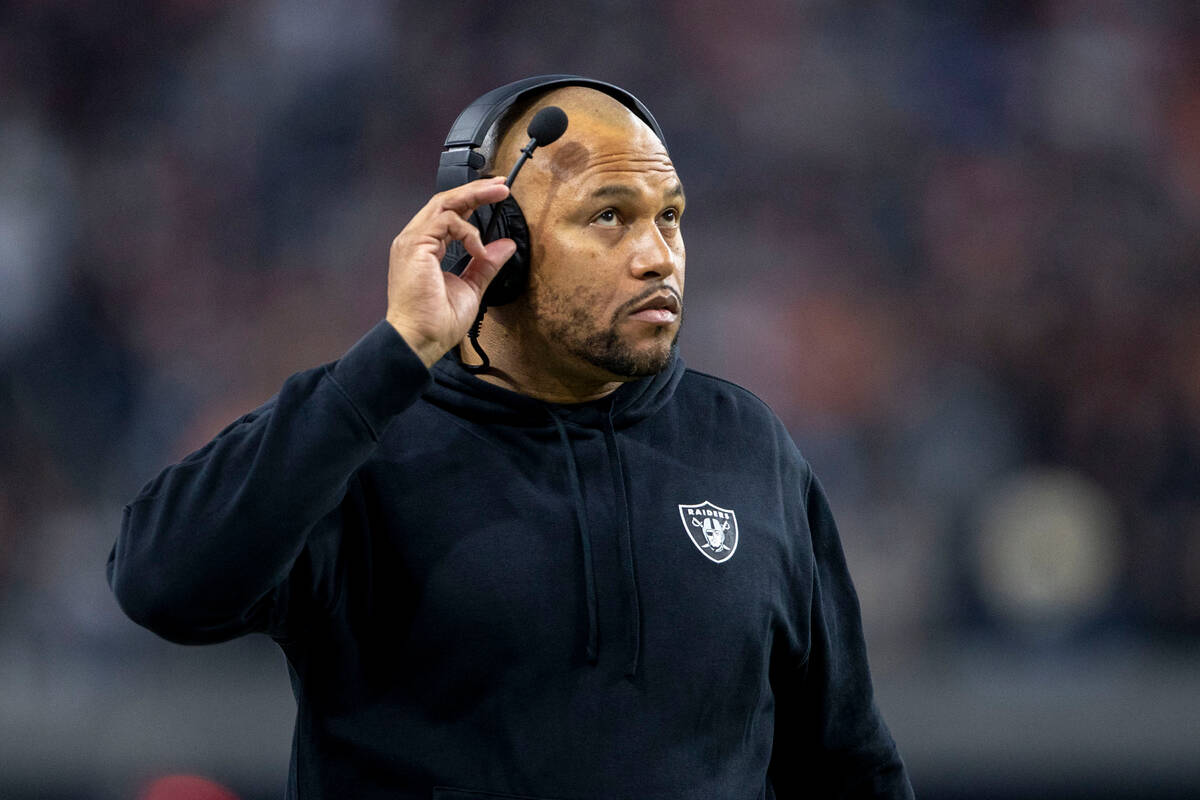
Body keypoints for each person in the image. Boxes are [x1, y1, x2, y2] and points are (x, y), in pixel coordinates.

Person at [108, 76, 914, 800]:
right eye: (608, 217)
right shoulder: (360, 441)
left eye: (668, 217)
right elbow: (163, 583)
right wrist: (392, 355)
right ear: (500, 240)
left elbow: (846, 764)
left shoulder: (749, 445)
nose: (656, 257)